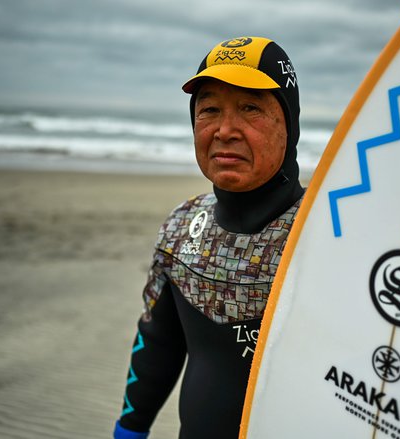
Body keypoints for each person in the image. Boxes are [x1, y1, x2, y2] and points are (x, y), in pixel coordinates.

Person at [113, 36, 304, 439]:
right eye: (210, 110)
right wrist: (130, 429)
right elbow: (159, 340)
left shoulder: (325, 234)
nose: (225, 130)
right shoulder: (183, 226)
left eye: (250, 107)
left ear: (289, 121)